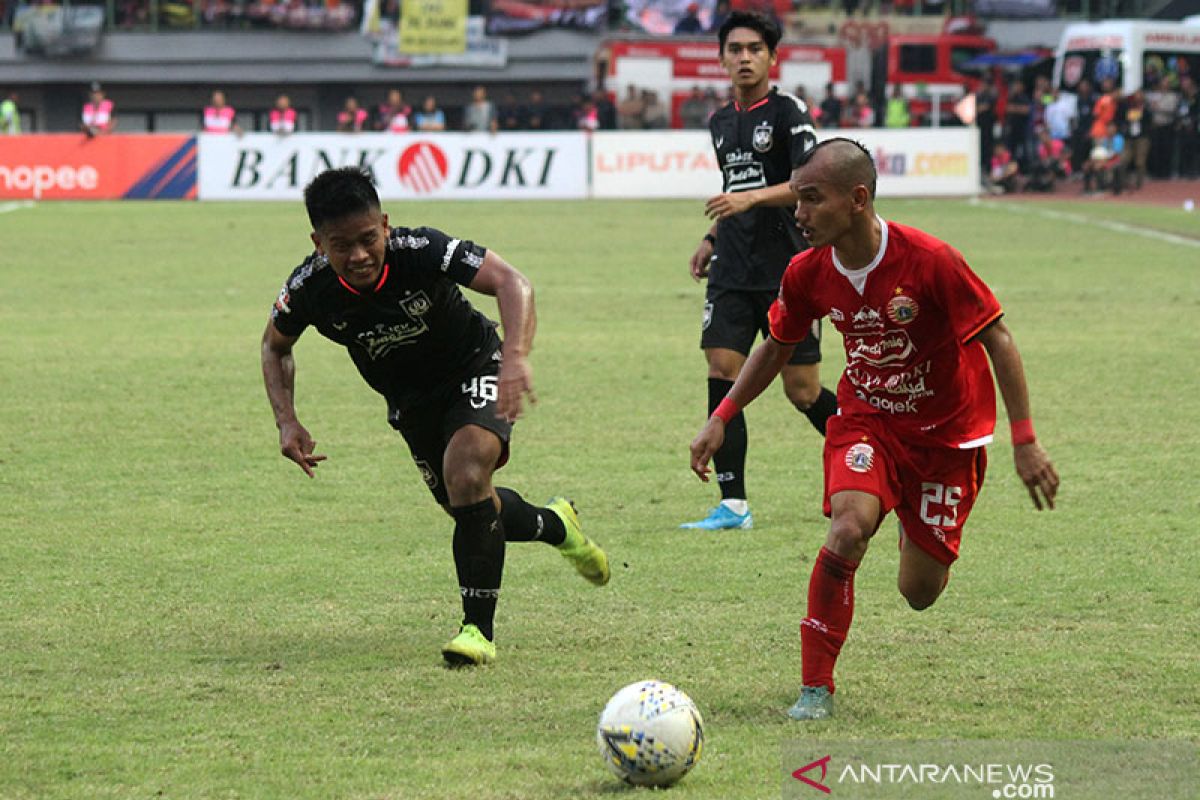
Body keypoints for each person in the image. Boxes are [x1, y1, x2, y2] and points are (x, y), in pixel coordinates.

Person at [689, 138, 1059, 720]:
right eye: (797, 199)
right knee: (848, 528)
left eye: (812, 199)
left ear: (857, 198)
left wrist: (1025, 439)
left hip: (946, 440)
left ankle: (915, 519)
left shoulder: (930, 259)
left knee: (919, 593)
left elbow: (998, 338)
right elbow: (775, 346)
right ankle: (815, 686)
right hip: (867, 423)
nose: (798, 213)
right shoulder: (807, 271)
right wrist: (721, 416)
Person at [261, 167, 611, 667]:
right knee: (469, 509)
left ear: (385, 224)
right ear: (318, 243)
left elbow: (512, 282)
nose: (359, 255)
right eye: (342, 245)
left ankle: (477, 632)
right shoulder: (308, 289)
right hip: (412, 403)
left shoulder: (422, 249)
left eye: (368, 239)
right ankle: (556, 525)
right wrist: (286, 420)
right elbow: (276, 347)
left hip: (475, 364)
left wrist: (515, 356)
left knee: (467, 473)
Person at [682, 11, 836, 531]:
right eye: (735, 49)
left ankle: (877, 459)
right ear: (722, 58)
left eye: (754, 49)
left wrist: (750, 200)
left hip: (785, 268)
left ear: (772, 56)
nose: (744, 58)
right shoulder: (719, 121)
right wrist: (709, 238)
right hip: (730, 267)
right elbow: (732, 186)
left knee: (803, 392)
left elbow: (810, 180)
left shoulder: (790, 112)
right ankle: (734, 505)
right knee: (721, 373)